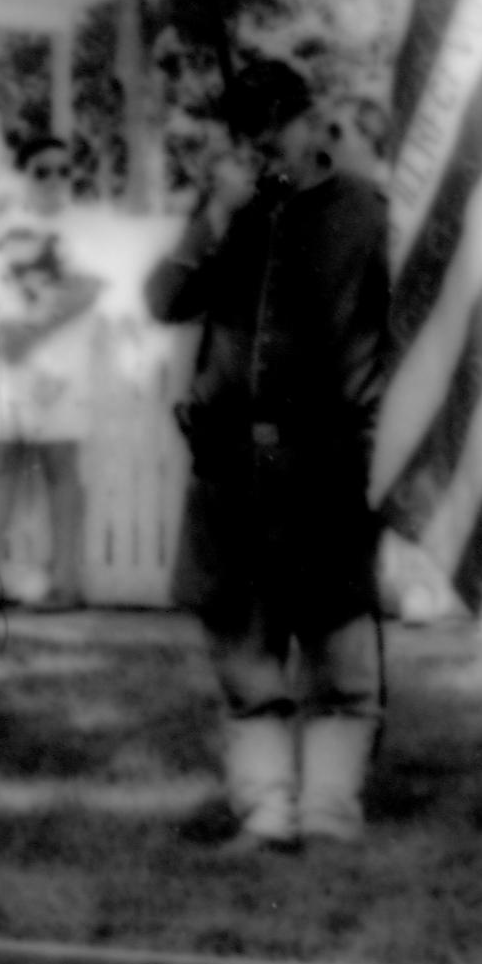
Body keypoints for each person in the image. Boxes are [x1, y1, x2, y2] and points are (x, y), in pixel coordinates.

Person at [145, 59, 393, 852]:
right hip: (231, 467)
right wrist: (215, 218)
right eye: (248, 125)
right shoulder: (229, 208)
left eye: (277, 120)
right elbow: (164, 301)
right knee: (244, 652)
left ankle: (329, 810)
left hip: (327, 463)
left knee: (338, 651)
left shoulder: (366, 212)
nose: (264, 140)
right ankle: (264, 809)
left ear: (314, 120)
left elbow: (409, 332)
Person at [0, 125, 105, 611]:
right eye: (43, 171)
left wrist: (34, 331)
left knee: (61, 471)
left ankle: (67, 584)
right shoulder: (0, 230)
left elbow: (87, 289)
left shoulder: (81, 227)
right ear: (23, 175)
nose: (55, 180)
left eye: (65, 171)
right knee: (0, 468)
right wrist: (2, 335)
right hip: (8, 366)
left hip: (61, 367)